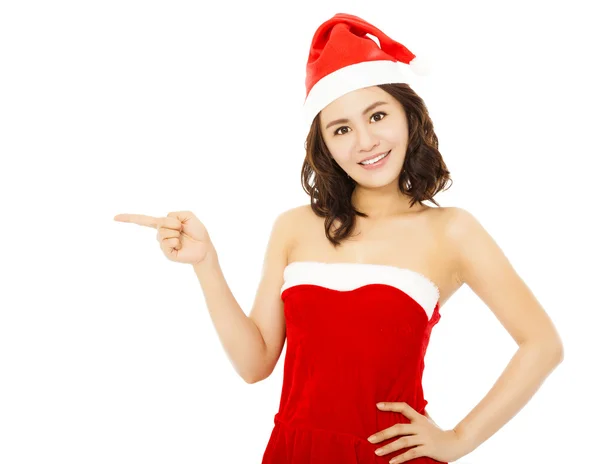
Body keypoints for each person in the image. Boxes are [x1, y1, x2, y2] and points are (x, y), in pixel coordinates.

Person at [114, 12, 564, 464]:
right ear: (324, 144)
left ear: (409, 118)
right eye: (342, 129)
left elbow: (542, 344)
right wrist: (205, 262)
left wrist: (460, 438)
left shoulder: (451, 230)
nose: (365, 141)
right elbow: (255, 365)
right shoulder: (294, 226)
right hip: (293, 451)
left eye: (378, 115)